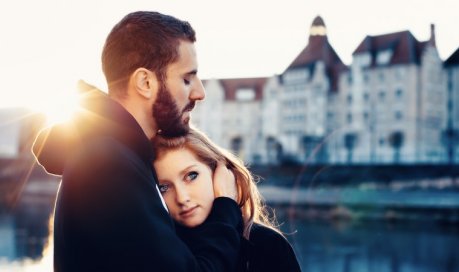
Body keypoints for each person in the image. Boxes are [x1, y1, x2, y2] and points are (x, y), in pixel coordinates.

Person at [32, 11, 242, 271]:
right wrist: (226, 208)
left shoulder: (109, 154)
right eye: (186, 79)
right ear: (145, 82)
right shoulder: (110, 164)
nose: (199, 93)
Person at [152, 128, 302, 272]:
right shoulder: (159, 251)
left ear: (219, 172)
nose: (182, 197)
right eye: (164, 187)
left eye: (191, 176)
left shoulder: (268, 245)